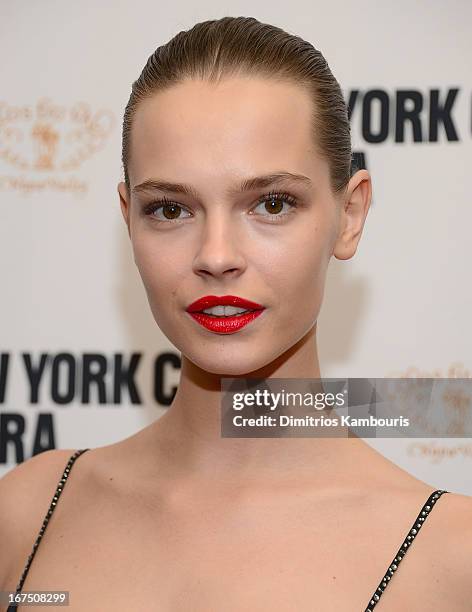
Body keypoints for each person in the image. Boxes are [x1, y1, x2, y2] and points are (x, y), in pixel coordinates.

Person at [1, 15, 471, 612]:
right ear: (128, 218)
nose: (216, 256)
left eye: (272, 203)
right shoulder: (29, 513)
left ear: (349, 215)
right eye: (170, 209)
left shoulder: (451, 558)